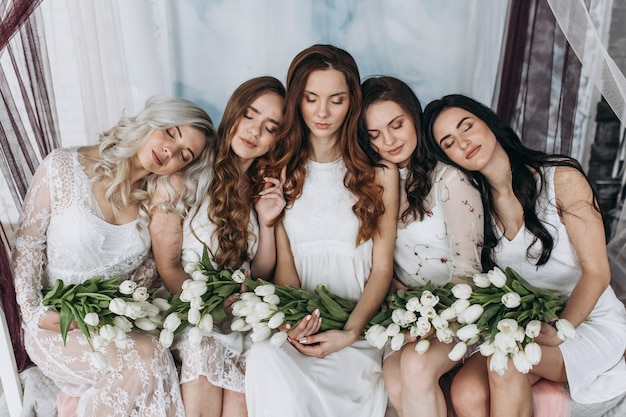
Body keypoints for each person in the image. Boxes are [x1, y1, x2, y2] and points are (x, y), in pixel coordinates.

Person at [11, 95, 217, 417]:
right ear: (152, 121)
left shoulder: (156, 202)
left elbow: (148, 276)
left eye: (184, 155)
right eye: (170, 133)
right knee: (147, 358)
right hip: (54, 327)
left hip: (109, 326)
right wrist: (33, 311)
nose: (169, 151)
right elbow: (28, 245)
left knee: (156, 354)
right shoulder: (63, 167)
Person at [423, 94, 626, 417]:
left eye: (467, 127)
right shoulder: (475, 207)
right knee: (466, 391)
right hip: (525, 325)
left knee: (504, 366)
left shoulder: (561, 178)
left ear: (488, 122)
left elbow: (597, 271)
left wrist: (561, 329)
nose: (463, 143)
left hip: (587, 322)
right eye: (449, 143)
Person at [244, 44, 398, 417]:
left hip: (357, 333)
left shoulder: (381, 173)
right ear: (297, 100)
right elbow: (286, 270)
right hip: (303, 327)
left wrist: (350, 331)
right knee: (264, 356)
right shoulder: (277, 171)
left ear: (352, 102)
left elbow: (381, 270)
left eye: (337, 100)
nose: (323, 113)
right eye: (311, 99)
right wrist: (300, 323)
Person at [150, 76, 286, 417]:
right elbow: (168, 268)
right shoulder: (185, 176)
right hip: (191, 312)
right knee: (204, 351)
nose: (254, 131)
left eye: (269, 127)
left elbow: (259, 272)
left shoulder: (260, 185)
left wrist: (268, 223)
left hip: (238, 317)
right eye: (250, 115)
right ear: (234, 110)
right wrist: (208, 307)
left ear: (276, 140)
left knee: (246, 386)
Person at [359, 77, 484, 417]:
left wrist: (434, 320)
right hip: (406, 315)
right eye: (375, 135)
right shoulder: (373, 184)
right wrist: (402, 308)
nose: (389, 141)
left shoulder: (450, 179)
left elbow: (468, 271)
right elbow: (381, 265)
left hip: (462, 309)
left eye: (397, 125)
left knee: (415, 365)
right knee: (393, 379)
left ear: (414, 117)